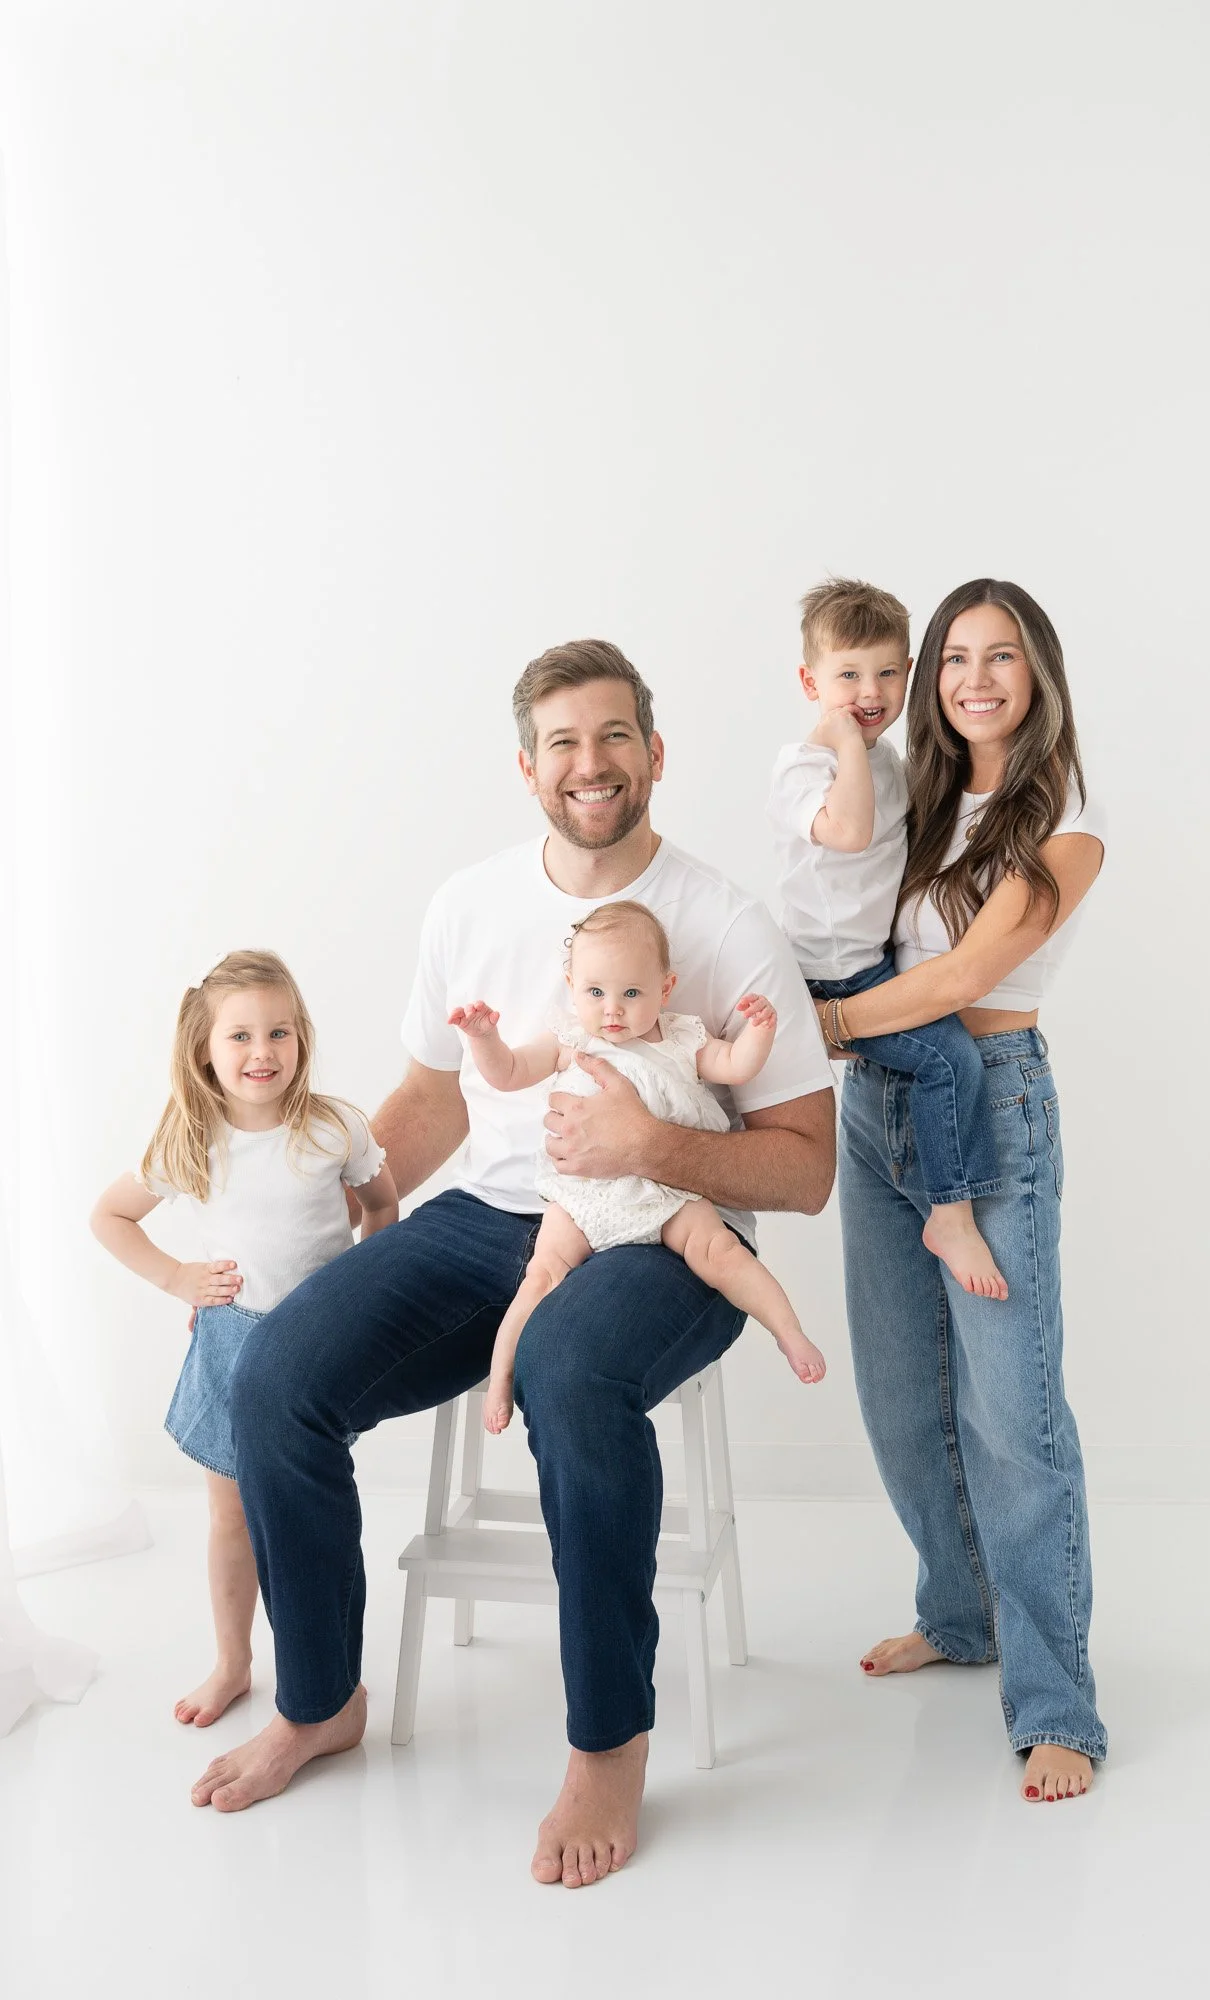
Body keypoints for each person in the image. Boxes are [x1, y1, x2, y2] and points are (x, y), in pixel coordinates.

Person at [189, 641, 835, 1888]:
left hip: (662, 1224)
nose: (587, 764)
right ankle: (321, 1696)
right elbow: (432, 1100)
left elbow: (803, 1168)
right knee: (279, 1376)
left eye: (611, 737)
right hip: (494, 1213)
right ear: (527, 766)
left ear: (655, 752)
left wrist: (650, 1139)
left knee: (568, 1374)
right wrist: (356, 1180)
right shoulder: (468, 904)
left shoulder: (725, 923)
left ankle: (608, 1739)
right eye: (561, 743)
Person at [824, 579, 1108, 1803]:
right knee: (901, 1397)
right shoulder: (911, 801)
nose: (974, 677)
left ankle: (1057, 1705)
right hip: (875, 1108)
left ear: (1037, 674)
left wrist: (819, 1021)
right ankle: (959, 1610)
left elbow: (965, 973)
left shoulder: (1067, 822)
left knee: (1012, 1416)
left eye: (1001, 656)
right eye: (955, 657)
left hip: (989, 1099)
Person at [89, 950, 398, 1729]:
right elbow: (110, 1216)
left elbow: (382, 1207)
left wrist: (353, 1288)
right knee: (230, 1518)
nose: (262, 1053)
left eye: (279, 1033)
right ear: (205, 1049)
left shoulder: (334, 1127)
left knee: (302, 1508)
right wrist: (177, 1279)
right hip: (232, 1343)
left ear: (301, 1039)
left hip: (316, 1348)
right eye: (240, 1037)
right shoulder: (190, 1137)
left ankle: (322, 1678)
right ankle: (233, 1661)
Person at [452, 897, 826, 1432]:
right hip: (582, 1197)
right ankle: (503, 1375)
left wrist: (760, 1032)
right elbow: (508, 1073)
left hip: (667, 1187)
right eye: (596, 992)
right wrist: (484, 1038)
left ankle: (788, 1333)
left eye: (632, 993)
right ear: (571, 985)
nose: (613, 1010)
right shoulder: (569, 1040)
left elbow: (736, 1065)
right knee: (541, 1275)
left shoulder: (682, 1038)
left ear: (665, 989)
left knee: (718, 1250)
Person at [769, 578, 1006, 1299]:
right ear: (810, 681)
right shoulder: (801, 767)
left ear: (907, 675)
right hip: (822, 977)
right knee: (947, 1062)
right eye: (846, 675)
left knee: (939, 1062)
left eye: (885, 673)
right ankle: (952, 1211)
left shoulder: (887, 765)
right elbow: (849, 832)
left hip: (869, 967)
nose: (867, 691)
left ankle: (946, 1203)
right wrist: (841, 738)